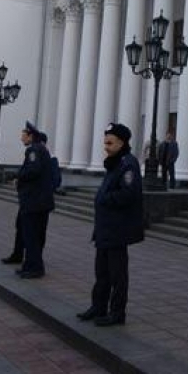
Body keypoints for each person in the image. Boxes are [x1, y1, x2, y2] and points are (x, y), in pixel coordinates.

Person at [77, 122, 144, 327]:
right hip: (105, 229)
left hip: (117, 229)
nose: (105, 146)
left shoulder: (127, 163)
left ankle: (117, 313)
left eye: (109, 142)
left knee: (117, 275)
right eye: (105, 141)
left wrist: (105, 199)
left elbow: (128, 194)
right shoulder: (115, 162)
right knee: (102, 273)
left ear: (121, 142)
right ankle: (98, 307)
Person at [13, 122, 55, 279]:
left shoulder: (33, 150)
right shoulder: (41, 149)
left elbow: (33, 170)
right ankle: (30, 265)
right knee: (34, 235)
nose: (21, 137)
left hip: (33, 201)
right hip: (40, 201)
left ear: (30, 135)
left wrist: (19, 177)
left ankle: (35, 267)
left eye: (23, 134)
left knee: (31, 236)